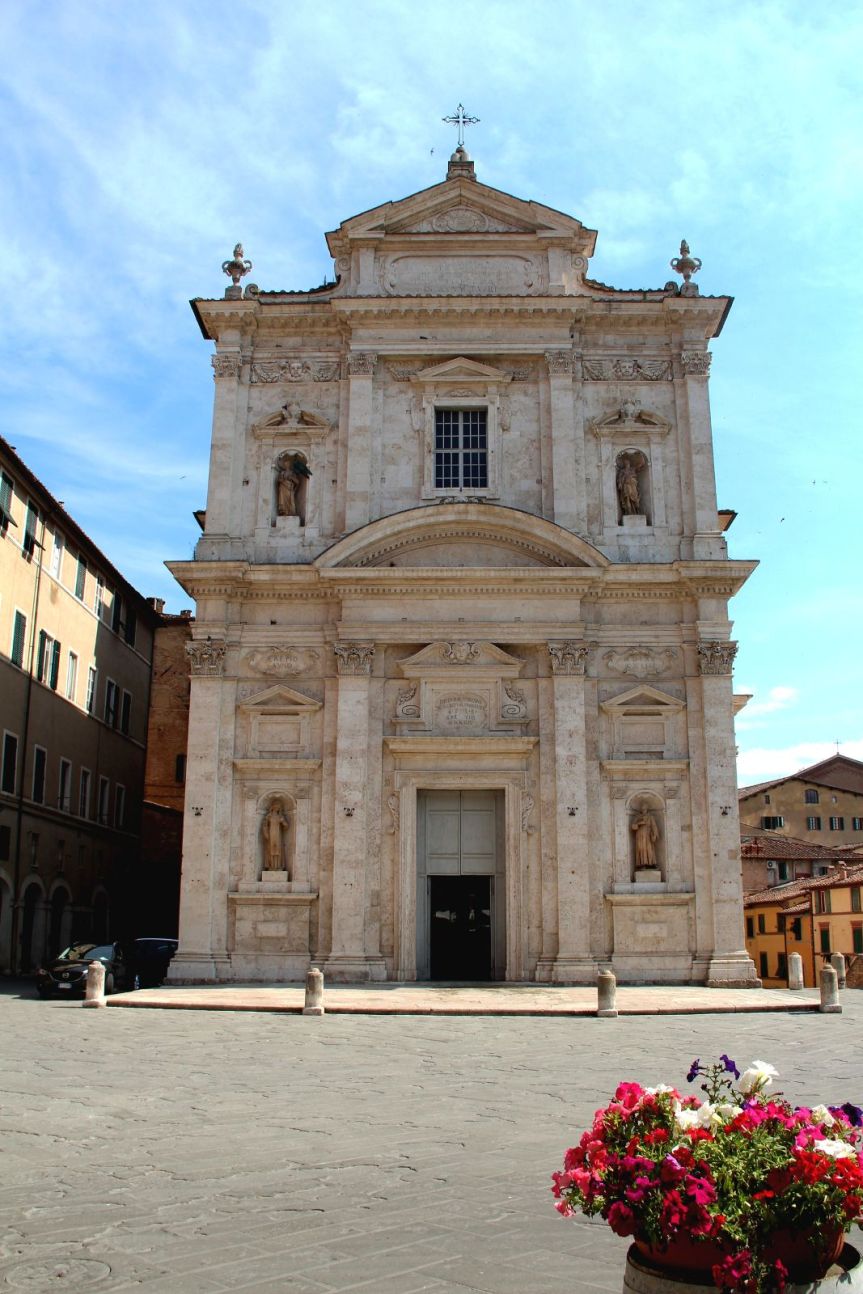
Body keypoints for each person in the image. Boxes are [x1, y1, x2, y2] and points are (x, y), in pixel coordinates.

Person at [263, 801, 291, 872]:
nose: (277, 809)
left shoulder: (280, 816)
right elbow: (265, 825)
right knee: (271, 850)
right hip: (271, 835)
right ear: (273, 807)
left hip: (278, 835)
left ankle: (278, 866)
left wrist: (283, 822)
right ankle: (271, 866)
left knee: (278, 850)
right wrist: (266, 833)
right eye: (276, 807)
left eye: (278, 808)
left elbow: (286, 826)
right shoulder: (269, 816)